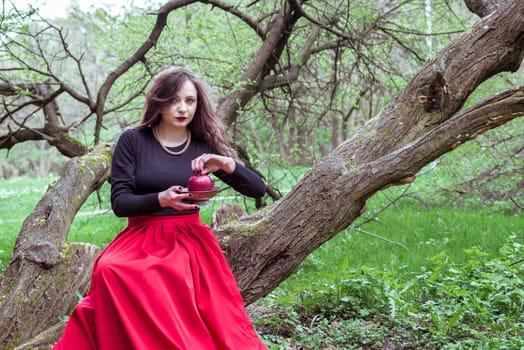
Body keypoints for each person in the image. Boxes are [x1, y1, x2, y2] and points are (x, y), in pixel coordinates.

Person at [53, 67, 268, 349]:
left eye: (190, 101)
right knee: (109, 268)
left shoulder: (203, 144)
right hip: (141, 234)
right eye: (174, 100)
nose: (183, 108)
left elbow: (258, 190)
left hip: (188, 238)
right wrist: (160, 199)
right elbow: (120, 202)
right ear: (160, 101)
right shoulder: (133, 140)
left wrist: (227, 163)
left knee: (170, 274)